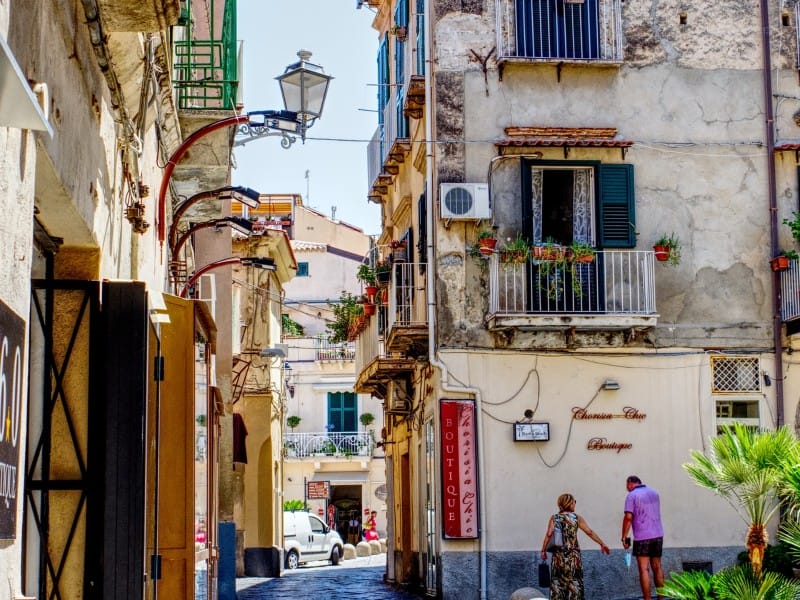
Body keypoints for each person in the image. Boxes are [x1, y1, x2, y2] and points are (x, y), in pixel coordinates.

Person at [540, 493, 610, 599]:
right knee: (574, 582)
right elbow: (589, 532)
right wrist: (602, 543)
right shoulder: (576, 518)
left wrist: (543, 550)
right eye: (574, 502)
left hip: (558, 557)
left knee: (558, 583)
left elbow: (549, 534)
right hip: (573, 556)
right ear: (569, 503)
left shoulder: (555, 518)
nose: (574, 504)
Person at [621, 475, 665, 600]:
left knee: (644, 569)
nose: (627, 489)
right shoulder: (654, 493)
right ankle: (661, 598)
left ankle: (647, 599)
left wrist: (624, 536)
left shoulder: (632, 495)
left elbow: (628, 517)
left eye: (627, 486)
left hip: (642, 537)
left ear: (630, 483)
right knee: (657, 567)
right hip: (658, 535)